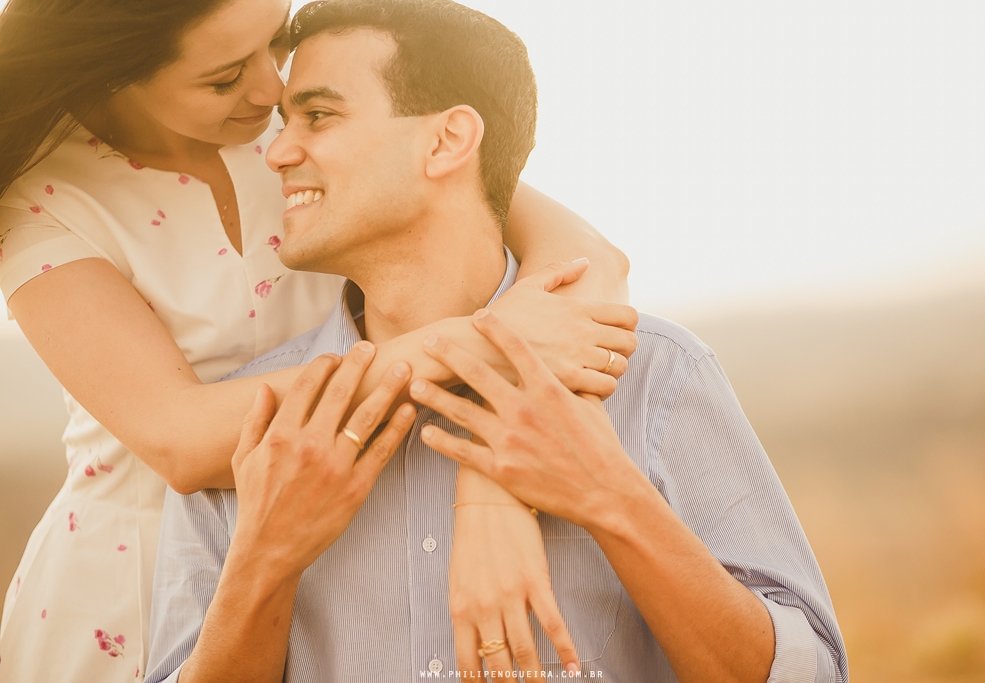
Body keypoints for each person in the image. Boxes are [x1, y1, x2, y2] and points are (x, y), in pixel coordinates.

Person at [145, 1, 848, 681]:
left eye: (319, 116)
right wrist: (263, 561)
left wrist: (613, 500)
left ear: (447, 140)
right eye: (284, 123)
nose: (277, 152)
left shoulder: (656, 376)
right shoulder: (258, 430)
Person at [0, 0, 635, 679]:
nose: (270, 88)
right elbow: (182, 440)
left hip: (352, 549)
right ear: (113, 71)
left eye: (275, 39)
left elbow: (587, 265)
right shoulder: (40, 200)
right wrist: (477, 346)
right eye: (225, 76)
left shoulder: (307, 125)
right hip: (137, 580)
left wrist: (494, 480)